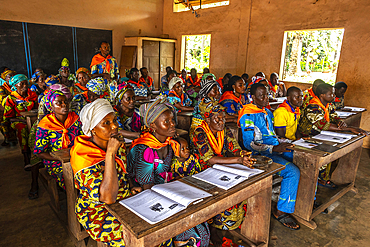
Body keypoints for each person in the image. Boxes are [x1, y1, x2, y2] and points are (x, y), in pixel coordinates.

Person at [128, 98, 207, 246]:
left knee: (199, 222)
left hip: (164, 191)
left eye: (172, 120)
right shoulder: (144, 149)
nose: (173, 124)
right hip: (145, 199)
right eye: (167, 122)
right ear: (152, 125)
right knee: (190, 230)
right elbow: (147, 191)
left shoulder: (169, 144)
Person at [70, 99, 146, 247]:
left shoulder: (117, 142)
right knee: (136, 237)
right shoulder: (83, 156)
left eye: (114, 120)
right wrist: (110, 153)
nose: (115, 126)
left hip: (123, 198)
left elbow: (124, 171)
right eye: (106, 123)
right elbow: (108, 198)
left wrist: (131, 186)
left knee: (156, 226)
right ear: (92, 129)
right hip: (97, 212)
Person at [239, 83, 301, 230]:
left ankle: (302, 197)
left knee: (301, 157)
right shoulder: (248, 115)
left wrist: (289, 142)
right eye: (262, 96)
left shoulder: (267, 111)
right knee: (293, 172)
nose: (266, 98)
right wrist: (274, 148)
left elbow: (272, 135)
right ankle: (280, 211)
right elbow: (250, 144)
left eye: (267, 94)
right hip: (260, 156)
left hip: (274, 149)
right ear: (253, 97)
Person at [192, 100, 254, 244]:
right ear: (207, 119)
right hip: (202, 172)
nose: (222, 121)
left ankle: (228, 224)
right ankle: (213, 229)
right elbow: (209, 159)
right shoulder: (199, 132)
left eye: (223, 118)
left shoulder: (224, 130)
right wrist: (238, 160)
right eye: (217, 119)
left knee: (241, 187)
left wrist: (242, 154)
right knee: (218, 195)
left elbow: (234, 148)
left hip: (222, 168)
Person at [34, 90, 82, 189]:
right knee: (71, 179)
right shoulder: (45, 125)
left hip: (76, 156)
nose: (64, 105)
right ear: (51, 107)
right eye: (59, 103)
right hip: (56, 161)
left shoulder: (76, 119)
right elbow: (40, 152)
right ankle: (74, 201)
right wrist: (62, 159)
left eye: (65, 102)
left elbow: (84, 138)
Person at [3, 74, 38, 168]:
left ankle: (39, 155)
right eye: (21, 84)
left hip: (32, 119)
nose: (25, 86)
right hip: (18, 120)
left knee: (40, 128)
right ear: (15, 86)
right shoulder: (11, 98)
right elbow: (8, 117)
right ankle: (26, 157)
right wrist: (24, 120)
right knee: (23, 130)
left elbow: (37, 109)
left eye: (26, 83)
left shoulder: (33, 95)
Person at [0, 69, 16, 146]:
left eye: (13, 76)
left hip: (15, 108)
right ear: (5, 79)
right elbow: (4, 102)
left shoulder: (17, 86)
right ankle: (9, 139)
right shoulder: (2, 89)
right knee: (4, 121)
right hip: (6, 109)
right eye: (10, 77)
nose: (12, 78)